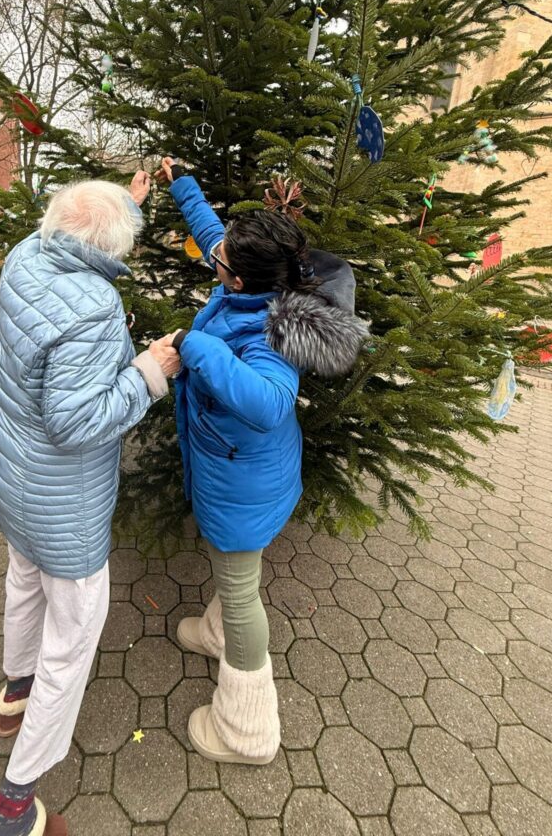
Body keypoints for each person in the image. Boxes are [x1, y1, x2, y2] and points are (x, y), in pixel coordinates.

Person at [0, 171, 180, 836]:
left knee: (22, 580)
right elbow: (76, 421)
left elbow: (77, 227)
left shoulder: (27, 255)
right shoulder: (92, 309)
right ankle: (13, 803)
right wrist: (150, 371)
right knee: (72, 638)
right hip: (62, 502)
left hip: (9, 476)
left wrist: (125, 200)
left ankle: (13, 693)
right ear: (107, 249)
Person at [155, 157, 368, 766]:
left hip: (242, 486)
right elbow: (211, 231)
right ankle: (217, 633)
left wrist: (192, 345)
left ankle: (247, 731)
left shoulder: (269, 334)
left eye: (219, 263)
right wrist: (180, 181)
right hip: (240, 476)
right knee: (233, 578)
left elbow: (270, 402)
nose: (213, 260)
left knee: (242, 591)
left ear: (240, 282)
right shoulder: (252, 282)